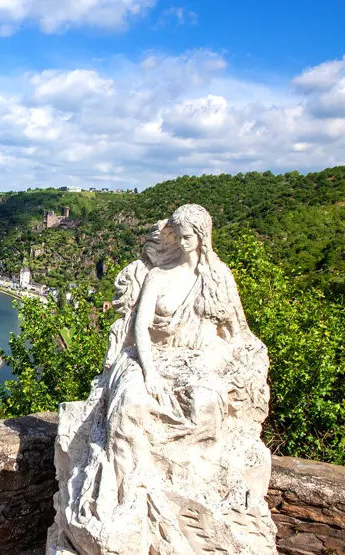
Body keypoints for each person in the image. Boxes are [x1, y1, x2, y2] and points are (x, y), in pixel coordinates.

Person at [48, 204, 276, 554]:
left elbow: (236, 331)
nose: (184, 244)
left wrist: (241, 360)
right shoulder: (159, 276)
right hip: (147, 358)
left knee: (205, 403)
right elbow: (140, 328)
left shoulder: (217, 278)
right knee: (129, 404)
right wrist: (150, 372)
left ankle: (194, 480)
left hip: (194, 362)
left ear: (203, 238)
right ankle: (123, 495)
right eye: (178, 236)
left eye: (190, 237)